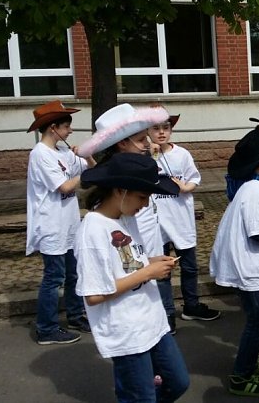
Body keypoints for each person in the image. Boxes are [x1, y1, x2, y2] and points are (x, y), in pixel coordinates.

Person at [75, 152, 189, 403]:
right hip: (127, 332)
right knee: (141, 397)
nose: (146, 204)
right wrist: (147, 272)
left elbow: (127, 266)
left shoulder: (125, 218)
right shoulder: (92, 231)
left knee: (178, 382)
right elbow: (94, 294)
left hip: (152, 322)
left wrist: (150, 262)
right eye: (142, 196)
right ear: (120, 190)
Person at [78, 103, 177, 331]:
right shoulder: (106, 218)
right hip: (127, 316)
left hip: (142, 284)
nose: (148, 145)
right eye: (142, 139)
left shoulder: (130, 200)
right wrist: (146, 270)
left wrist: (148, 263)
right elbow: (100, 288)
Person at [209, 133, 259, 397]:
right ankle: (241, 375)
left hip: (252, 263)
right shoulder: (255, 191)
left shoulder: (256, 186)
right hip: (247, 265)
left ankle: (252, 360)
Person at [26, 100, 96, 345]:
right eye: (66, 126)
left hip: (69, 225)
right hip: (51, 226)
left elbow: (91, 169)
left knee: (74, 274)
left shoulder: (63, 152)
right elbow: (65, 185)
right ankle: (46, 328)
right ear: (53, 128)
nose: (70, 131)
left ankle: (76, 315)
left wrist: (85, 156)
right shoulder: (40, 155)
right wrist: (80, 170)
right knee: (53, 278)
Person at [147, 110, 222, 326]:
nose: (161, 133)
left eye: (166, 128)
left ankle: (191, 305)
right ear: (147, 131)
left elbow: (193, 180)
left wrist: (184, 188)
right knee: (162, 271)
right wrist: (150, 156)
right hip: (156, 223)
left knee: (189, 267)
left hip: (180, 219)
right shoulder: (144, 155)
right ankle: (167, 314)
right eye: (156, 128)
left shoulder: (182, 154)